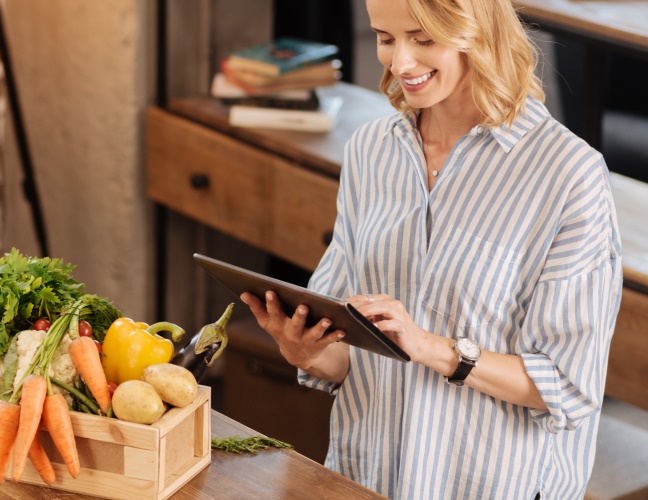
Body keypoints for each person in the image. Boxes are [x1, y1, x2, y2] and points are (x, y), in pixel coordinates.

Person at [240, 0, 623, 498]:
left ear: (476, 28)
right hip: (366, 475)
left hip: (489, 484)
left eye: (423, 39)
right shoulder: (370, 150)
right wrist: (306, 352)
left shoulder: (568, 176)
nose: (400, 63)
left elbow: (567, 385)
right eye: (385, 38)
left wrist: (432, 348)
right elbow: (347, 351)